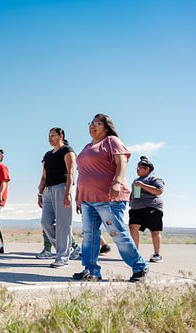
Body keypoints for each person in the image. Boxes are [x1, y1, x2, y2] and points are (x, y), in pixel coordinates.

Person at [73, 114, 148, 282]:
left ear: (106, 127)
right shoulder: (86, 147)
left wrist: (116, 182)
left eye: (97, 124)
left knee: (118, 233)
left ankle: (140, 267)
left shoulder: (111, 141)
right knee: (89, 236)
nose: (92, 126)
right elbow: (82, 173)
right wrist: (78, 195)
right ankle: (91, 271)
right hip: (87, 199)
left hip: (109, 197)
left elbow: (122, 162)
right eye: (91, 123)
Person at [37, 127, 77, 268]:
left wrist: (67, 193)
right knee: (45, 222)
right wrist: (40, 193)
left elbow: (71, 172)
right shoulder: (47, 155)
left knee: (63, 224)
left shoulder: (67, 150)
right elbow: (43, 176)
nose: (50, 138)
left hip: (62, 188)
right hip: (48, 191)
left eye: (53, 135)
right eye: (48, 136)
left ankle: (62, 258)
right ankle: (65, 249)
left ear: (61, 136)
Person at [129, 156, 165, 263]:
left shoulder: (154, 179)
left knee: (154, 231)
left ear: (147, 169)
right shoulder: (136, 180)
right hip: (136, 208)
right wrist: (130, 200)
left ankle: (157, 254)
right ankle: (135, 253)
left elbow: (159, 191)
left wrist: (143, 185)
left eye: (140, 168)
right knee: (132, 227)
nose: (137, 169)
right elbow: (135, 193)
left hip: (151, 207)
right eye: (137, 167)